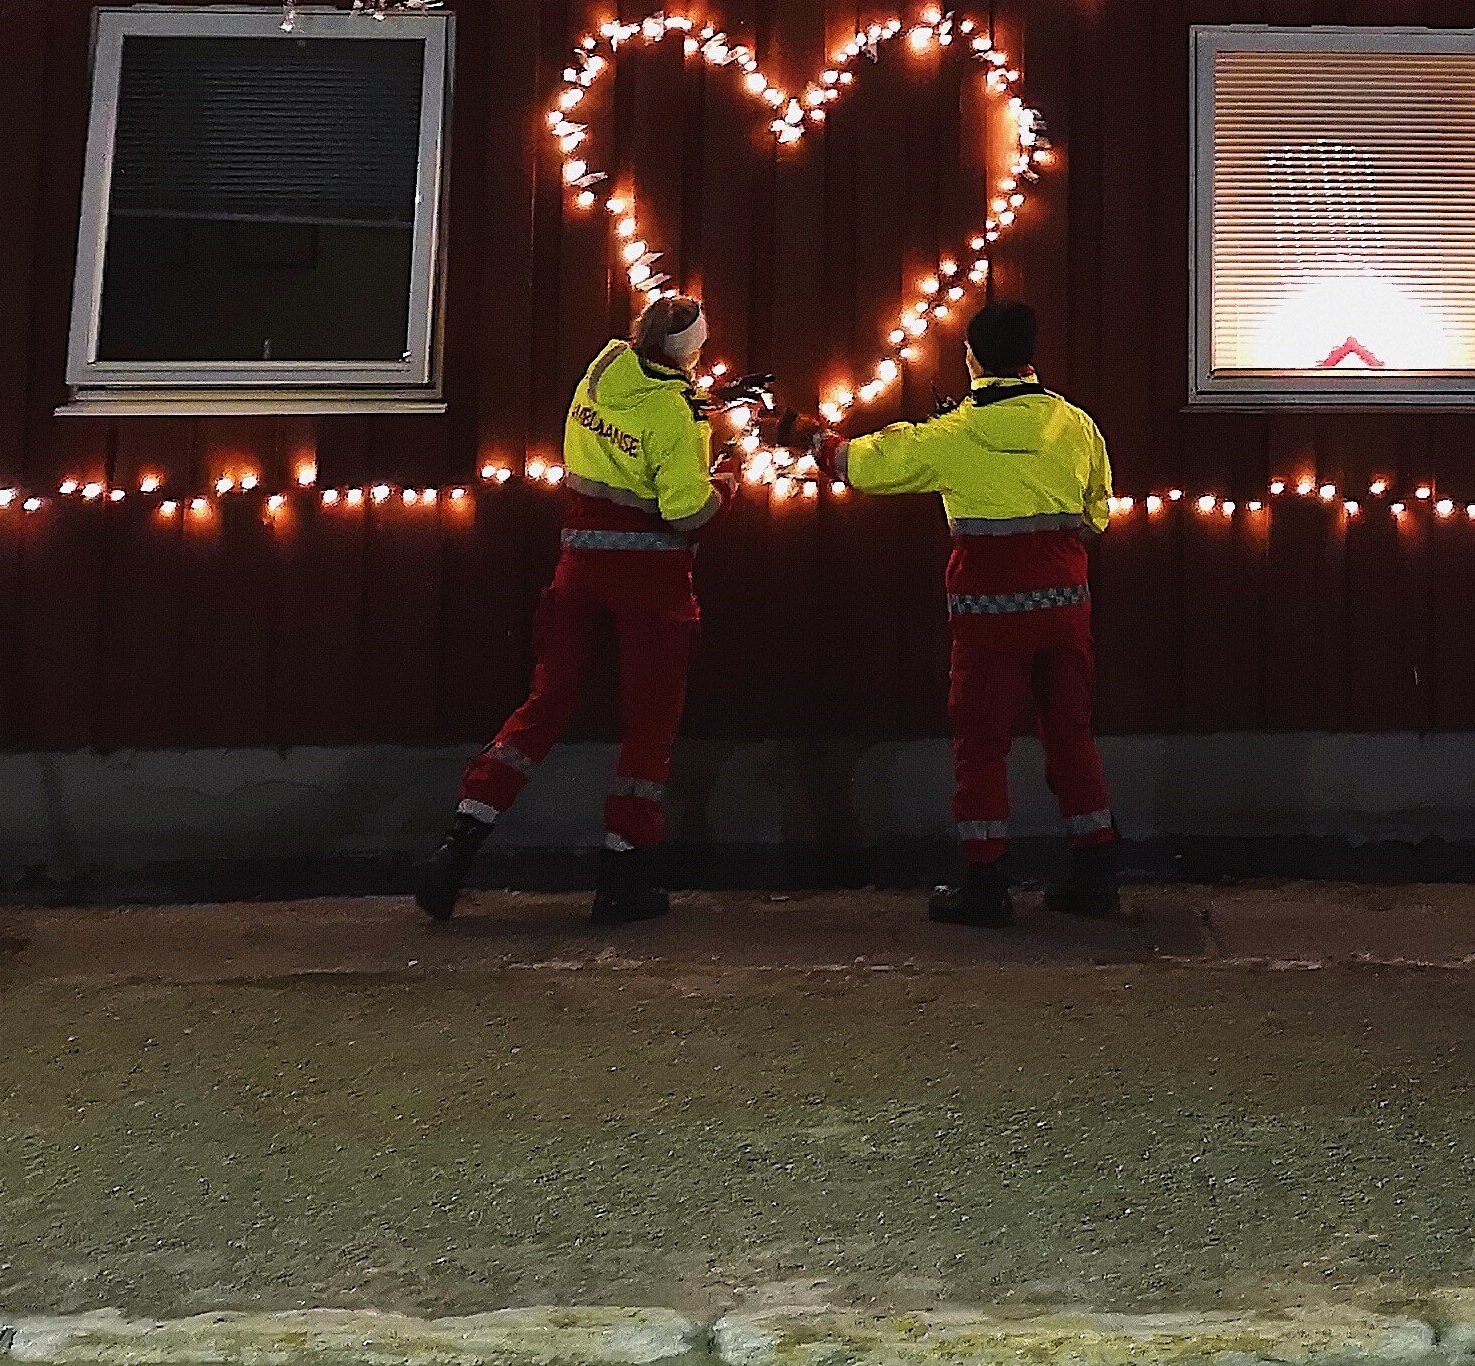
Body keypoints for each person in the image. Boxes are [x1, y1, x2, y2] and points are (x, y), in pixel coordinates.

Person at [797, 300, 1120, 926]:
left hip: (987, 620)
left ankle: (985, 880)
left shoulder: (953, 435)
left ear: (972, 357)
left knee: (981, 745)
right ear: (1029, 356)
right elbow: (1098, 514)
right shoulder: (1075, 425)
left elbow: (861, 466)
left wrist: (812, 438)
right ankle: (1096, 872)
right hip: (1065, 614)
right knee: (1072, 737)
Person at [416, 291, 724, 925]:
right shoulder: (675, 413)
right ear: (694, 353)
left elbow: (631, 434)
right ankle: (623, 878)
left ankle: (457, 848)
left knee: (545, 702)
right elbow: (685, 510)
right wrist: (723, 482)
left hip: (577, 566)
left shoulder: (603, 368)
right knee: (650, 720)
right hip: (651, 578)